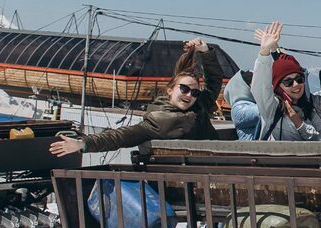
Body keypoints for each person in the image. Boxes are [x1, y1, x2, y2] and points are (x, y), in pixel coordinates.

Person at [51, 39, 223, 156]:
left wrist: (205, 52)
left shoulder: (199, 105)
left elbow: (214, 80)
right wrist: (83, 144)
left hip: (215, 165)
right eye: (184, 89)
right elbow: (119, 136)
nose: (189, 95)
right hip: (193, 177)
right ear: (170, 90)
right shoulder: (157, 121)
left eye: (194, 93)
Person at [227, 23, 321, 142]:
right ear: (278, 86)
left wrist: (299, 123)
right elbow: (261, 86)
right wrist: (264, 52)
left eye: (299, 79)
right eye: (288, 82)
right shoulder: (273, 107)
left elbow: (319, 139)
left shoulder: (309, 106)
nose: (296, 85)